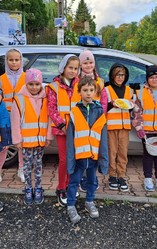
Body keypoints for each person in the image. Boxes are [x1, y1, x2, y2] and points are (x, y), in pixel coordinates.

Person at [66, 76, 108, 224]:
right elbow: (70, 139)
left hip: (94, 155)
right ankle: (70, 204)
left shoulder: (99, 111)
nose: (88, 93)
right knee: (74, 181)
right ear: (79, 92)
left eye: (91, 90)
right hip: (79, 156)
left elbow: (103, 137)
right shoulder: (74, 111)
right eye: (85, 90)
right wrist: (70, 160)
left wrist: (104, 159)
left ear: (96, 92)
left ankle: (89, 201)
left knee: (92, 180)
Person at [11, 68, 53, 205]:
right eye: (31, 84)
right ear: (26, 84)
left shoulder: (45, 98)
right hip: (26, 141)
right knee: (27, 166)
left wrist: (48, 136)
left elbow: (49, 119)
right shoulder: (19, 99)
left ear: (41, 84)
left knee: (39, 165)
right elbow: (15, 120)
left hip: (40, 140)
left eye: (37, 84)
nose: (34, 87)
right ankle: (28, 188)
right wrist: (17, 139)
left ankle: (39, 188)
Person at [47, 54, 80, 207]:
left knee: (75, 159)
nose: (73, 71)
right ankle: (61, 188)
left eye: (76, 68)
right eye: (70, 67)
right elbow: (51, 109)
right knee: (64, 160)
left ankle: (71, 184)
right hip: (62, 130)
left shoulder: (80, 84)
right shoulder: (54, 86)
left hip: (78, 128)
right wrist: (62, 125)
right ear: (63, 68)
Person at [77, 49, 108, 192]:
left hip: (95, 121)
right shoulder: (76, 81)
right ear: (80, 64)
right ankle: (83, 177)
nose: (88, 65)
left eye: (91, 62)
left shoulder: (100, 82)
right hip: (81, 120)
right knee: (83, 149)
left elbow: (104, 102)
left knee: (94, 150)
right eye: (85, 63)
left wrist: (101, 117)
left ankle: (92, 176)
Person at [104, 63, 133, 192]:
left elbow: (133, 108)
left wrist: (132, 105)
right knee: (112, 152)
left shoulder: (129, 90)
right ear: (112, 76)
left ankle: (121, 176)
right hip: (111, 126)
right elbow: (103, 108)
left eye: (122, 75)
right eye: (117, 75)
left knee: (123, 153)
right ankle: (112, 175)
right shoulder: (107, 89)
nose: (120, 77)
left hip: (125, 126)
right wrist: (111, 105)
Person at [0, 48, 25, 183]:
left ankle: (21, 169)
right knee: (4, 145)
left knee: (21, 145)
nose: (14, 63)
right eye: (11, 60)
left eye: (17, 60)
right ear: (6, 61)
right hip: (5, 117)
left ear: (21, 61)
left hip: (21, 116)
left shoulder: (26, 77)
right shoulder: (1, 79)